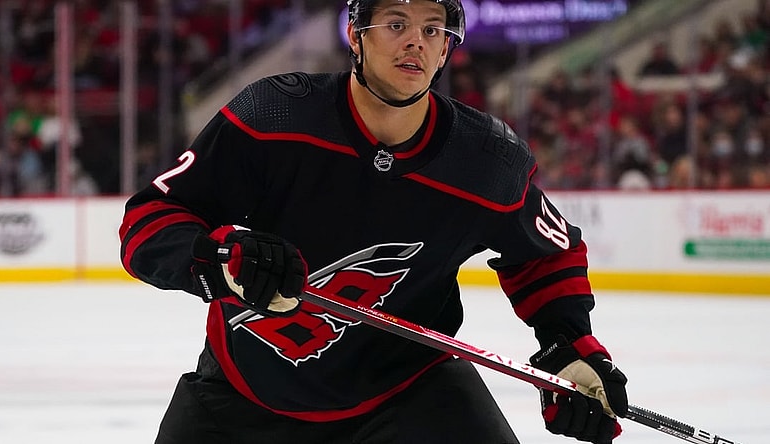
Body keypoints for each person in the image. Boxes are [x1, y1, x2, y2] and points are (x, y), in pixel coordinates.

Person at [119, 1, 629, 443]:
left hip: (410, 395)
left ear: (447, 48)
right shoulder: (271, 118)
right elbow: (149, 219)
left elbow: (547, 255)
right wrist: (221, 259)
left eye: (433, 29)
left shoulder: (486, 162)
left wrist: (569, 346)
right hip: (244, 395)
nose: (416, 42)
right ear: (355, 35)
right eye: (396, 23)